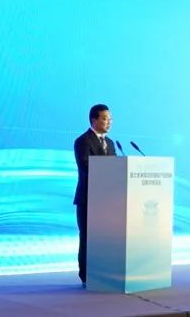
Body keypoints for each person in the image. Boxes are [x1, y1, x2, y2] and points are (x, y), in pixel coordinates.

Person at [73, 103, 117, 286]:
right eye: (105, 119)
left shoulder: (111, 143)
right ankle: (86, 276)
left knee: (105, 238)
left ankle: (104, 273)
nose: (109, 122)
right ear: (94, 120)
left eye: (110, 119)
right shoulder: (82, 141)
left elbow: (117, 169)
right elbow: (86, 167)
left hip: (107, 201)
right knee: (87, 237)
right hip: (88, 198)